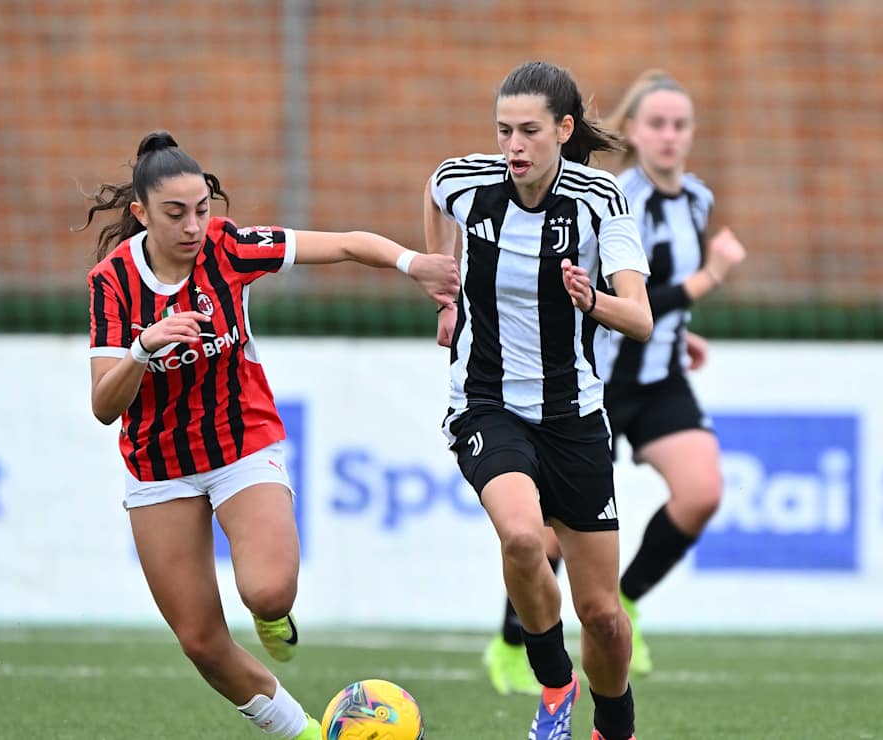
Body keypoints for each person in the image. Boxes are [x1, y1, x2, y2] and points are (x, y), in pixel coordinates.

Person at [82, 131, 458, 740]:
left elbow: (340, 244)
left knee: (269, 588)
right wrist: (144, 349)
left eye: (202, 209)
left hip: (241, 444)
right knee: (201, 642)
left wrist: (412, 265)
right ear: (140, 213)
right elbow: (104, 405)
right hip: (158, 466)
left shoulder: (229, 248)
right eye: (175, 213)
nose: (193, 225)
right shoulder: (113, 282)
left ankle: (272, 614)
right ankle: (306, 733)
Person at [482, 68, 750, 695]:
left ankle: (622, 604)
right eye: (656, 123)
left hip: (658, 378)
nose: (669, 136)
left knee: (702, 490)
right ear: (630, 130)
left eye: (680, 125)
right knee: (545, 534)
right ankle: (510, 644)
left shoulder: (698, 199)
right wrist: (711, 278)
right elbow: (624, 293)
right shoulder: (611, 196)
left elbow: (655, 297)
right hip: (595, 377)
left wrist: (680, 332)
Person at [424, 62, 652, 740]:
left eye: (528, 131)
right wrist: (444, 286)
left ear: (564, 129)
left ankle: (615, 727)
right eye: (503, 131)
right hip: (486, 403)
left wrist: (594, 299)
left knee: (605, 617)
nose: (513, 146)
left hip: (575, 417)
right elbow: (435, 197)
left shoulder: (599, 198)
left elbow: (639, 318)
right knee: (522, 535)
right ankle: (554, 686)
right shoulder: (467, 183)